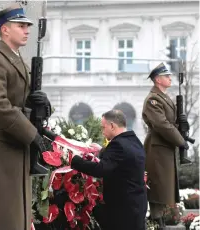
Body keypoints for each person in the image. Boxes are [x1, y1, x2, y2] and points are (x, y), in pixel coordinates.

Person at [0, 4, 50, 230]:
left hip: (16, 140)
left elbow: (23, 101)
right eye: (21, 26)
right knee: (2, 210)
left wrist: (42, 105)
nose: (27, 30)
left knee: (16, 210)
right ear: (5, 29)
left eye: (27, 26)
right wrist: (31, 133)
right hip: (4, 142)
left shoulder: (18, 61)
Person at [69, 110, 147, 230]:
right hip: (137, 205)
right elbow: (122, 159)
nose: (102, 131)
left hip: (122, 210)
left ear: (112, 126)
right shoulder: (134, 141)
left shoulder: (118, 144)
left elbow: (100, 170)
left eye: (103, 127)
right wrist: (101, 151)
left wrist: (75, 161)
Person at [142, 63, 189, 229]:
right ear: (157, 79)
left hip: (165, 148)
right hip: (157, 149)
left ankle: (159, 223)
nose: (170, 78)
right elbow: (162, 125)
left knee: (163, 190)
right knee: (158, 190)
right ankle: (157, 224)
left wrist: (182, 125)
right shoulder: (153, 100)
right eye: (166, 76)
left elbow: (171, 122)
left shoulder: (164, 97)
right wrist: (180, 141)